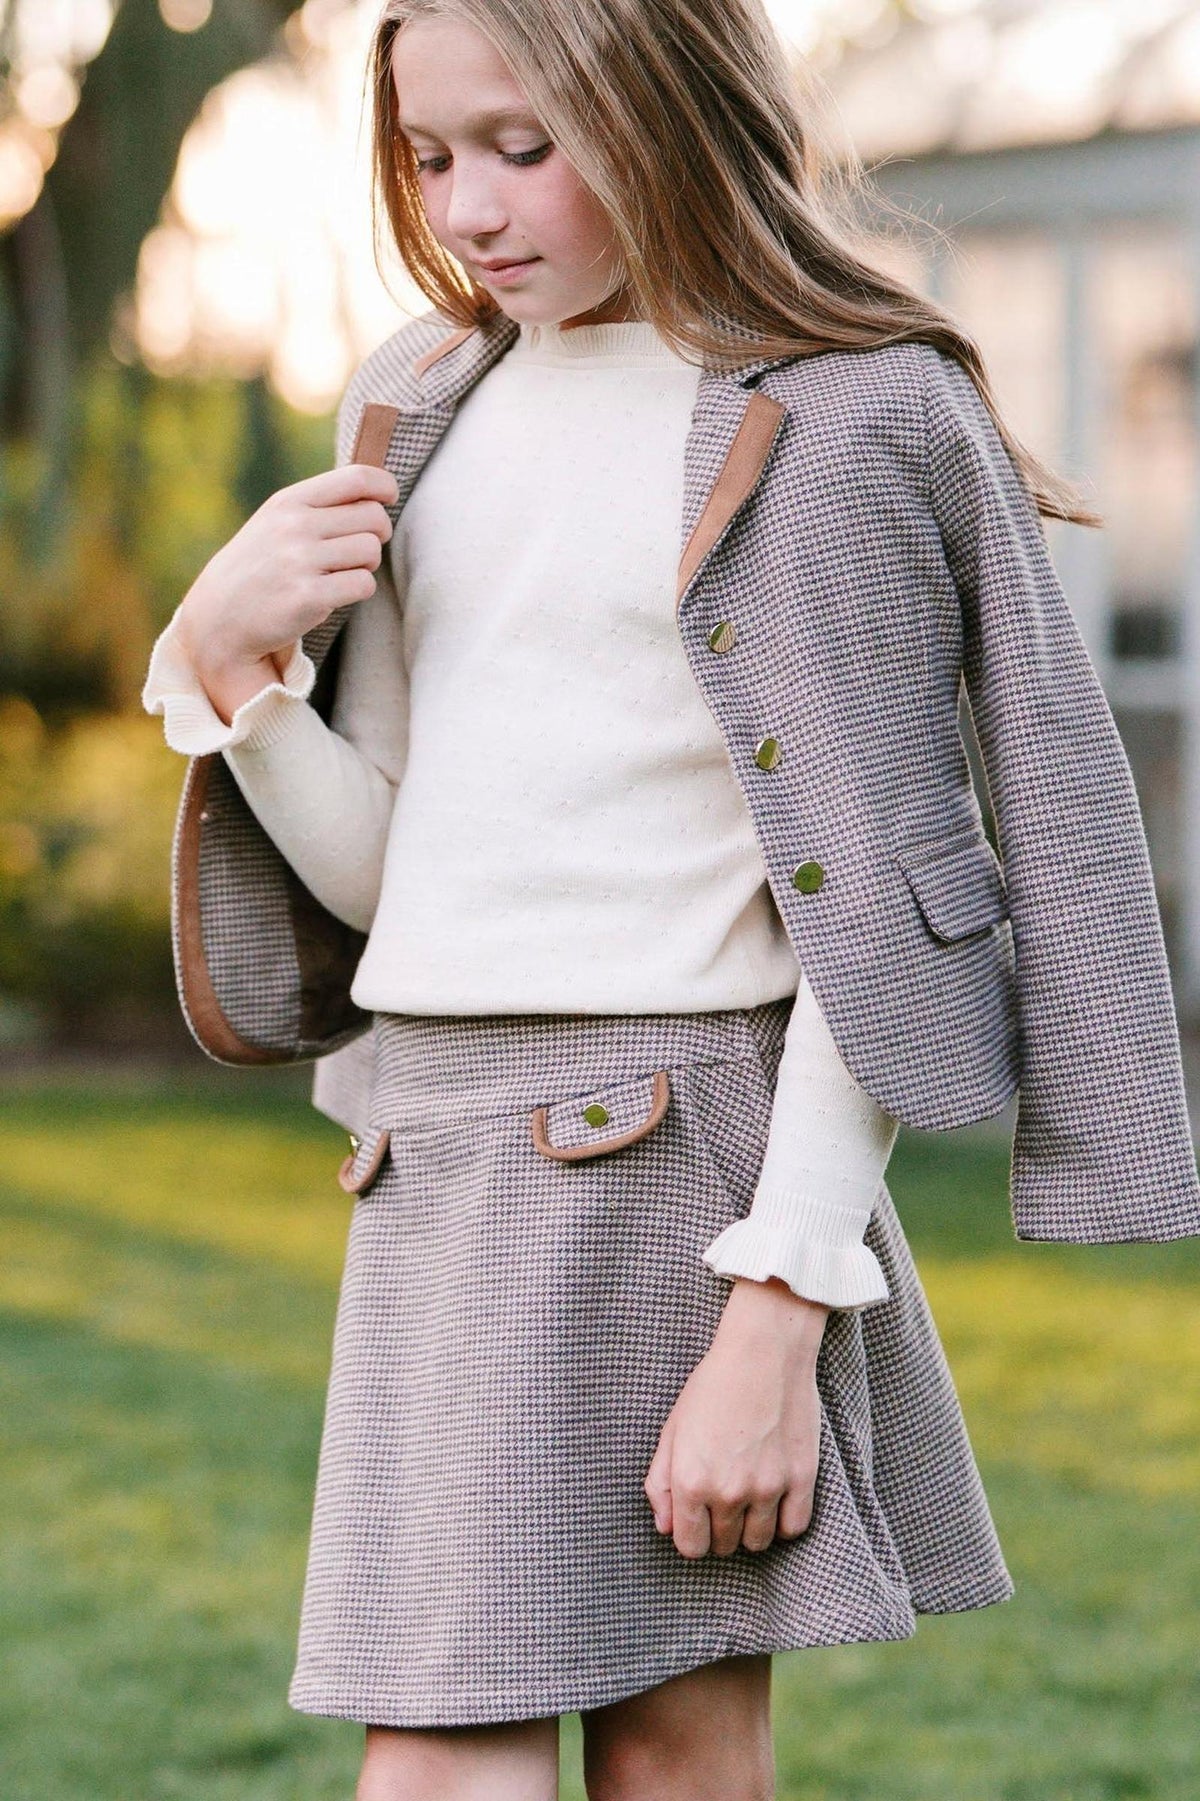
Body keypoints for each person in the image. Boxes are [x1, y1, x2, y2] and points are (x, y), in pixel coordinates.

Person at [141, 2, 1200, 1797]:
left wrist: (782, 1302)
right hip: (434, 1162)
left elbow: (866, 909)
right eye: (428, 153)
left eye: (523, 147)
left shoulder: (844, 414)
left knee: (670, 1758)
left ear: (672, 107)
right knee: (457, 1754)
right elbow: (405, 879)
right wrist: (227, 672)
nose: (466, 206)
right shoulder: (416, 402)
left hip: (687, 1169)